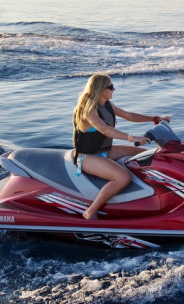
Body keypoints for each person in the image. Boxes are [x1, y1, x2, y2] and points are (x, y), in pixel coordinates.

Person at [72, 73, 171, 220]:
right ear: (100, 89)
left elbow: (129, 115)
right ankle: (91, 211)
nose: (114, 89)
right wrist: (132, 138)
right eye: (111, 87)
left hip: (104, 150)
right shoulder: (88, 110)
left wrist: (154, 119)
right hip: (87, 156)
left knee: (148, 155)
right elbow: (104, 130)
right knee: (122, 177)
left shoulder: (107, 104)